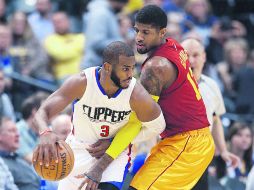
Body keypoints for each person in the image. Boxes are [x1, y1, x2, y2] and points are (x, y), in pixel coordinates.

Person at [33, 41, 165, 190]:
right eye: (125, 69)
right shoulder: (82, 82)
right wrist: (45, 132)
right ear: (108, 67)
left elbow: (158, 126)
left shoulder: (136, 93)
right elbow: (42, 112)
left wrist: (115, 142)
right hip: (78, 149)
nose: (130, 75)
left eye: (132, 68)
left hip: (115, 156)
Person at [128, 5, 215, 189]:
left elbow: (141, 118)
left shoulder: (156, 67)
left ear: (162, 32)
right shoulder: (174, 45)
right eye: (136, 31)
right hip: (181, 140)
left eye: (146, 32)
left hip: (188, 144)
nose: (139, 38)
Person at [181, 38, 239, 190]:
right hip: (175, 156)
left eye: (196, 55)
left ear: (204, 57)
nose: (191, 60)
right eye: (186, 55)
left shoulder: (212, 85)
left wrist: (224, 151)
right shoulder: (169, 86)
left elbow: (216, 119)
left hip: (201, 156)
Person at [0, 117, 41, 190]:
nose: (17, 135)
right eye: (12, 131)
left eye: (17, 131)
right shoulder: (2, 164)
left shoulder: (19, 159)